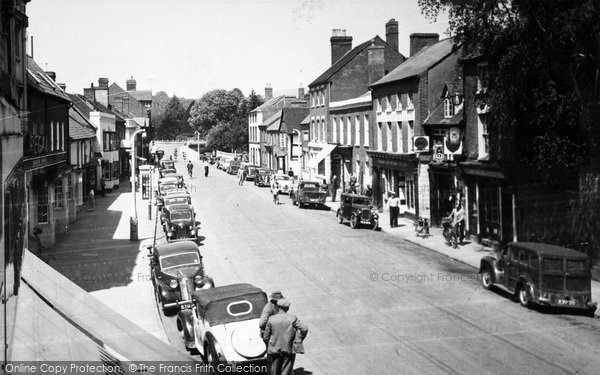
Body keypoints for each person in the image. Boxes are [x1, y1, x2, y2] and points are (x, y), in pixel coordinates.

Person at [263, 299, 308, 375]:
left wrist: (271, 344)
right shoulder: (293, 318)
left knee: (274, 372)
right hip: (288, 349)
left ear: (278, 307)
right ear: (287, 308)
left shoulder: (271, 319)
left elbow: (266, 337)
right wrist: (299, 340)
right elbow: (304, 329)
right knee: (286, 371)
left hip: (274, 350)